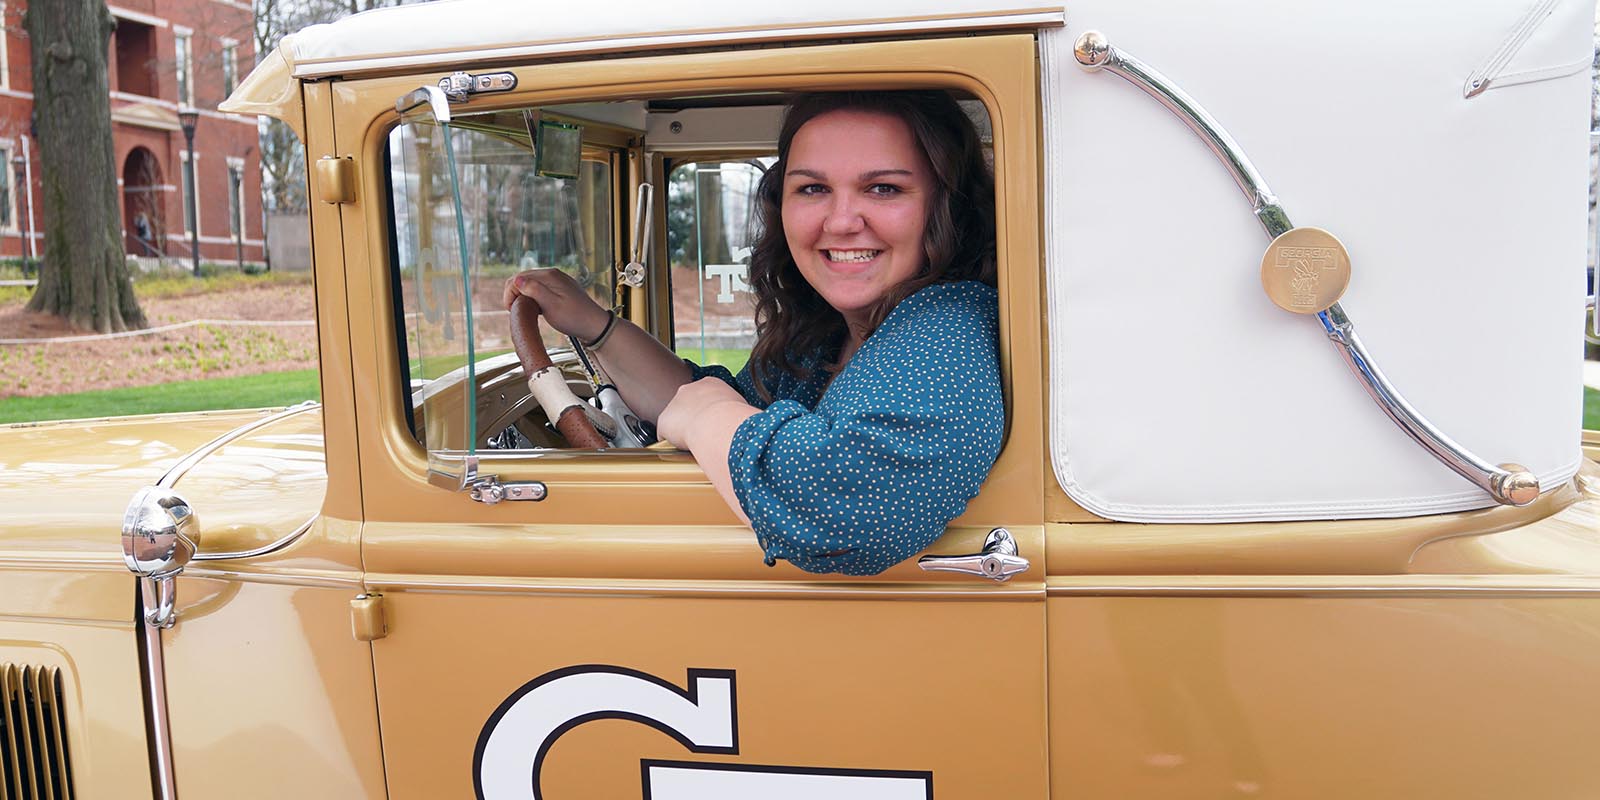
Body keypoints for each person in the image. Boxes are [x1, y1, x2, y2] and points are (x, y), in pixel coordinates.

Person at [503, 91, 1002, 575]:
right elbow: (707, 404)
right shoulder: (828, 334)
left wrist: (706, 418)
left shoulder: (950, 323)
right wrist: (593, 323)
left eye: (884, 188)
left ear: (946, 206)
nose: (843, 220)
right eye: (813, 188)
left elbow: (848, 515)